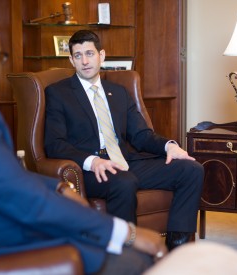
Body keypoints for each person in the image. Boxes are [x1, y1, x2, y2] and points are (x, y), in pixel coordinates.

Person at [0, 15, 168, 275]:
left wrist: (57, 186)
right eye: (0, 58)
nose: (0, 68)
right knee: (135, 259)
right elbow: (20, 198)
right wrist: (123, 233)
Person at [44, 29, 204, 251]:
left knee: (191, 169)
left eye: (89, 53)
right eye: (78, 55)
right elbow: (55, 143)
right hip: (92, 170)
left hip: (124, 161)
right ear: (71, 60)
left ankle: (177, 248)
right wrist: (92, 161)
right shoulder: (58, 93)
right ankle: (128, 255)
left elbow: (140, 135)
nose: (85, 61)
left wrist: (169, 146)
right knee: (124, 181)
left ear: (102, 55)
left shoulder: (118, 92)